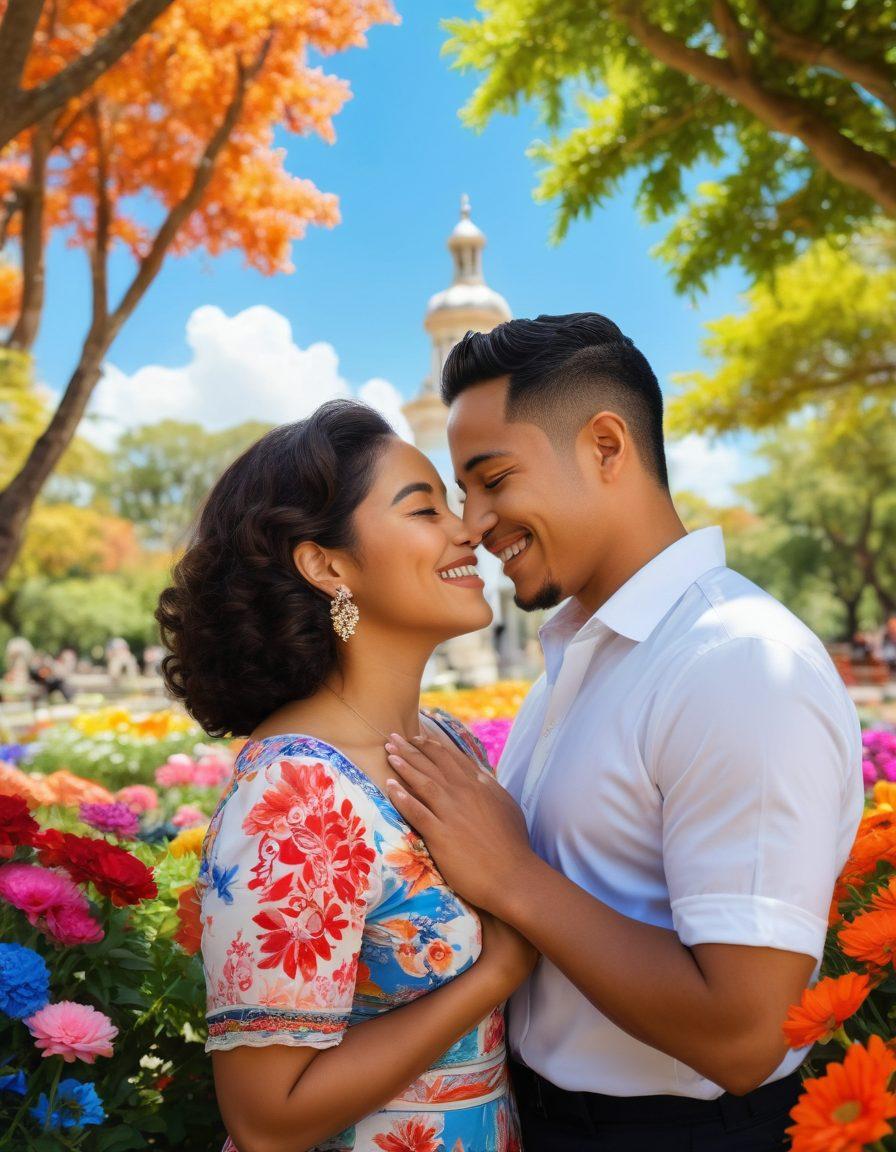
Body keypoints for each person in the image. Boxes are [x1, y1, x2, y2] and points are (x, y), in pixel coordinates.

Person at [382, 312, 866, 1152]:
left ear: (606, 447)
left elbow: (746, 1036)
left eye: (494, 479)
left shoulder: (737, 661)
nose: (474, 523)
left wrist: (513, 877)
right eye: (462, 493)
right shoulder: (580, 660)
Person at [155, 400, 532, 1152]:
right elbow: (266, 1120)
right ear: (327, 566)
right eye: (424, 509)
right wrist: (496, 973)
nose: (468, 530)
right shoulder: (295, 797)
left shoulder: (450, 743)